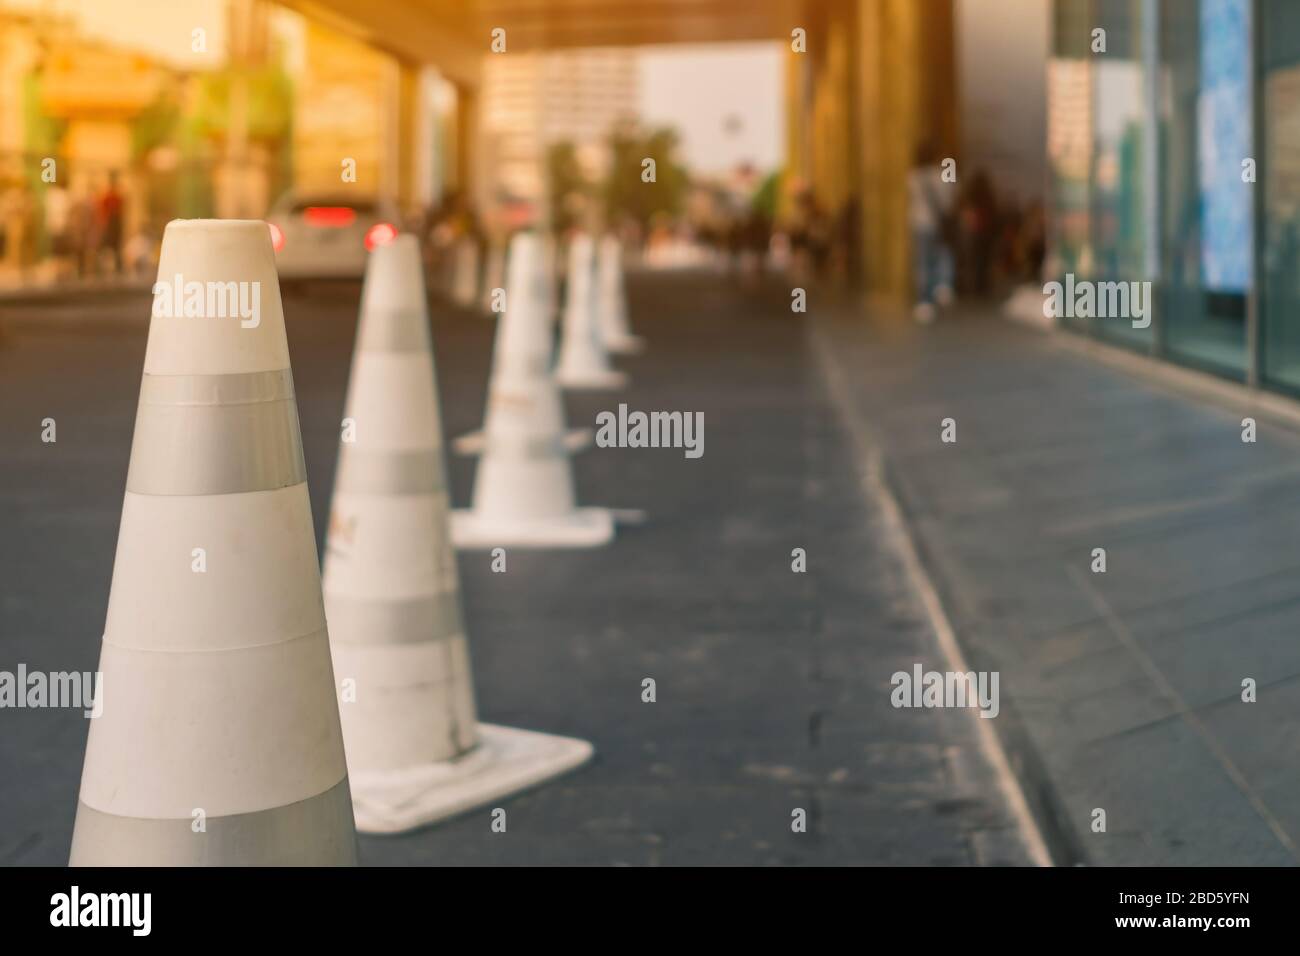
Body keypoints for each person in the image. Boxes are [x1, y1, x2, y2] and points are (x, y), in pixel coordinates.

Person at [907, 140, 956, 323]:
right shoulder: (942, 174)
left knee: (922, 261)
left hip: (919, 223)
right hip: (937, 224)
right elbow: (949, 199)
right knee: (941, 254)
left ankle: (923, 301)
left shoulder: (912, 176)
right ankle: (942, 286)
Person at [97, 171, 125, 276]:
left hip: (114, 224)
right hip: (111, 223)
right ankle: (108, 267)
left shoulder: (115, 196)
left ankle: (116, 267)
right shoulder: (109, 196)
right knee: (109, 247)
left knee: (115, 248)